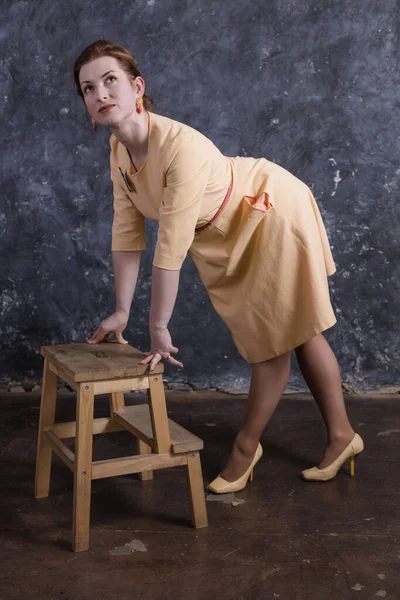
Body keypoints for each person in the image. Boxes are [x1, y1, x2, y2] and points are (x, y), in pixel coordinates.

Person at [73, 40, 364, 494]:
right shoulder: (118, 154)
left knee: (273, 342)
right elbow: (127, 236)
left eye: (111, 80)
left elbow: (170, 245)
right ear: (87, 107)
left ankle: (246, 449)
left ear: (137, 87)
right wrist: (122, 312)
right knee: (298, 330)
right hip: (222, 236)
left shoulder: (179, 147)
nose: (101, 93)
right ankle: (344, 436)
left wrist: (160, 327)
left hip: (267, 212)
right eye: (89, 88)